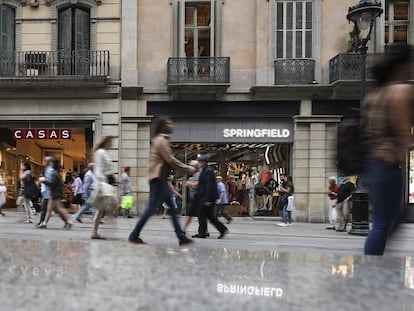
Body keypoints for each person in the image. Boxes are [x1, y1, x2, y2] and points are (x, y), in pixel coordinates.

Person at [362, 44, 414, 255]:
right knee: (385, 223)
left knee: (386, 221)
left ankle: (374, 262)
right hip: (388, 164)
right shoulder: (400, 91)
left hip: (372, 163)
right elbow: (404, 132)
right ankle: (373, 268)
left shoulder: (374, 95)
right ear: (403, 65)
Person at [128, 116, 195, 245]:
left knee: (170, 208)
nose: (172, 125)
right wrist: (188, 168)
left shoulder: (160, 140)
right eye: (169, 123)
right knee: (151, 209)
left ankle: (181, 236)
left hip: (160, 179)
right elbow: (170, 159)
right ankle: (134, 235)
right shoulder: (161, 140)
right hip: (158, 179)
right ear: (163, 126)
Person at [194, 154, 228, 239]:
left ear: (204, 162)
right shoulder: (206, 170)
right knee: (209, 216)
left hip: (207, 198)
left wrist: (207, 199)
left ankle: (203, 232)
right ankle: (218, 230)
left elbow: (209, 186)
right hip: (206, 197)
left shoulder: (208, 171)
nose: (198, 163)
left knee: (202, 215)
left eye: (200, 161)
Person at [91, 136, 118, 239]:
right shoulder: (100, 152)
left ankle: (95, 232)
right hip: (102, 183)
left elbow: (106, 169)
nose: (112, 144)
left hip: (104, 183)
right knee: (115, 204)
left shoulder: (103, 152)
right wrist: (101, 182)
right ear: (106, 142)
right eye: (110, 142)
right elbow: (99, 169)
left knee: (100, 209)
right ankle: (109, 226)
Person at [39, 158, 73, 229]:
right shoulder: (57, 173)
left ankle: (69, 221)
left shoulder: (54, 173)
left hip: (54, 193)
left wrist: (44, 181)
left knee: (55, 209)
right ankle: (44, 223)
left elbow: (52, 183)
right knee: (53, 208)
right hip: (55, 193)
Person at [36, 157, 54, 227]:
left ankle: (42, 222)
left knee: (45, 208)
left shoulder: (49, 170)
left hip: (49, 193)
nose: (43, 161)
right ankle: (42, 222)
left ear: (48, 162)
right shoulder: (48, 169)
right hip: (47, 193)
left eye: (44, 160)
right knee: (45, 208)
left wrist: (43, 180)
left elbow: (50, 181)